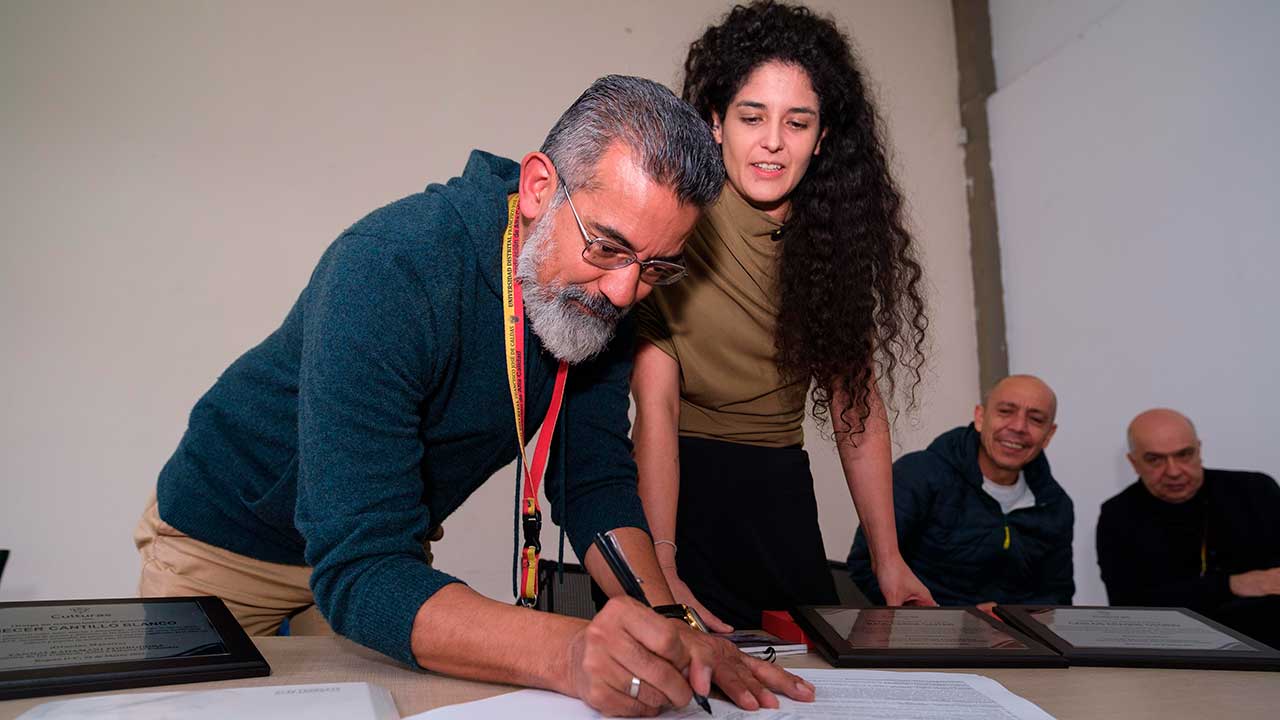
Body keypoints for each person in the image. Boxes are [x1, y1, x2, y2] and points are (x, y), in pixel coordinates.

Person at [134, 75, 815, 716]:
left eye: (656, 267)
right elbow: (360, 569)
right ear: (541, 188)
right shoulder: (389, 267)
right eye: (608, 247)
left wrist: (670, 626)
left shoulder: (607, 294)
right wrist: (573, 650)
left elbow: (595, 483)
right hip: (224, 543)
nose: (624, 292)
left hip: (378, 555)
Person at [631, 0, 934, 632]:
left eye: (797, 123)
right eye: (752, 116)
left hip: (780, 490)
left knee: (811, 682)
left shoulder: (832, 243)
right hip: (678, 485)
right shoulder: (674, 220)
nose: (772, 141)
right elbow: (654, 405)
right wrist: (662, 562)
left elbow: (856, 409)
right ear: (714, 122)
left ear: (821, 139)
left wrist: (889, 560)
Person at [848, 375, 1075, 609]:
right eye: (1006, 412)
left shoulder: (1055, 505)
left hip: (1016, 641)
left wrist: (1011, 621)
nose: (1018, 427)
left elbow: (1057, 598)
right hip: (923, 637)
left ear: (1049, 435)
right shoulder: (918, 476)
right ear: (980, 417)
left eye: (1036, 420)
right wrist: (958, 624)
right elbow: (865, 565)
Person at [1098, 409, 1280, 647]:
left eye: (1184, 455)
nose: (1173, 471)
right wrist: (1232, 585)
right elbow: (1130, 609)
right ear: (1134, 463)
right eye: (1155, 460)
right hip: (1175, 656)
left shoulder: (1256, 491)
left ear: (1199, 450)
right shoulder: (1118, 515)